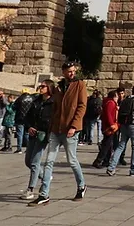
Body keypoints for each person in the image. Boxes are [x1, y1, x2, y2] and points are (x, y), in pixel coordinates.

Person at [29, 61, 87, 206]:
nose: (72, 73)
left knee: (72, 161)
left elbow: (81, 106)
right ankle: (44, 194)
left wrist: (74, 126)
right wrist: (51, 125)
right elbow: (54, 107)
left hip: (70, 130)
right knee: (49, 161)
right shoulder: (59, 87)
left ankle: (81, 186)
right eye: (69, 71)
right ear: (63, 72)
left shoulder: (80, 85)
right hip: (56, 129)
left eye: (73, 71)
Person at [20, 81, 54, 201]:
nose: (40, 88)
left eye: (43, 86)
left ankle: (30, 189)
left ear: (49, 88)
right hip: (33, 133)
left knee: (35, 162)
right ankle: (45, 176)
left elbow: (52, 120)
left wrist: (46, 131)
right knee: (28, 161)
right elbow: (28, 116)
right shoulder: (36, 101)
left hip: (42, 135)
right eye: (40, 86)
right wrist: (29, 126)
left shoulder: (53, 103)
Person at [108, 84, 134, 177]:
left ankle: (111, 167)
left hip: (124, 125)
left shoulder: (126, 99)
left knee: (121, 146)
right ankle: (133, 169)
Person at [94, 88, 121, 169]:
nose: (117, 98)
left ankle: (105, 160)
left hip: (108, 126)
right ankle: (99, 160)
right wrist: (111, 124)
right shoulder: (111, 103)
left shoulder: (109, 103)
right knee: (106, 144)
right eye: (116, 96)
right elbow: (109, 114)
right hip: (109, 127)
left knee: (108, 144)